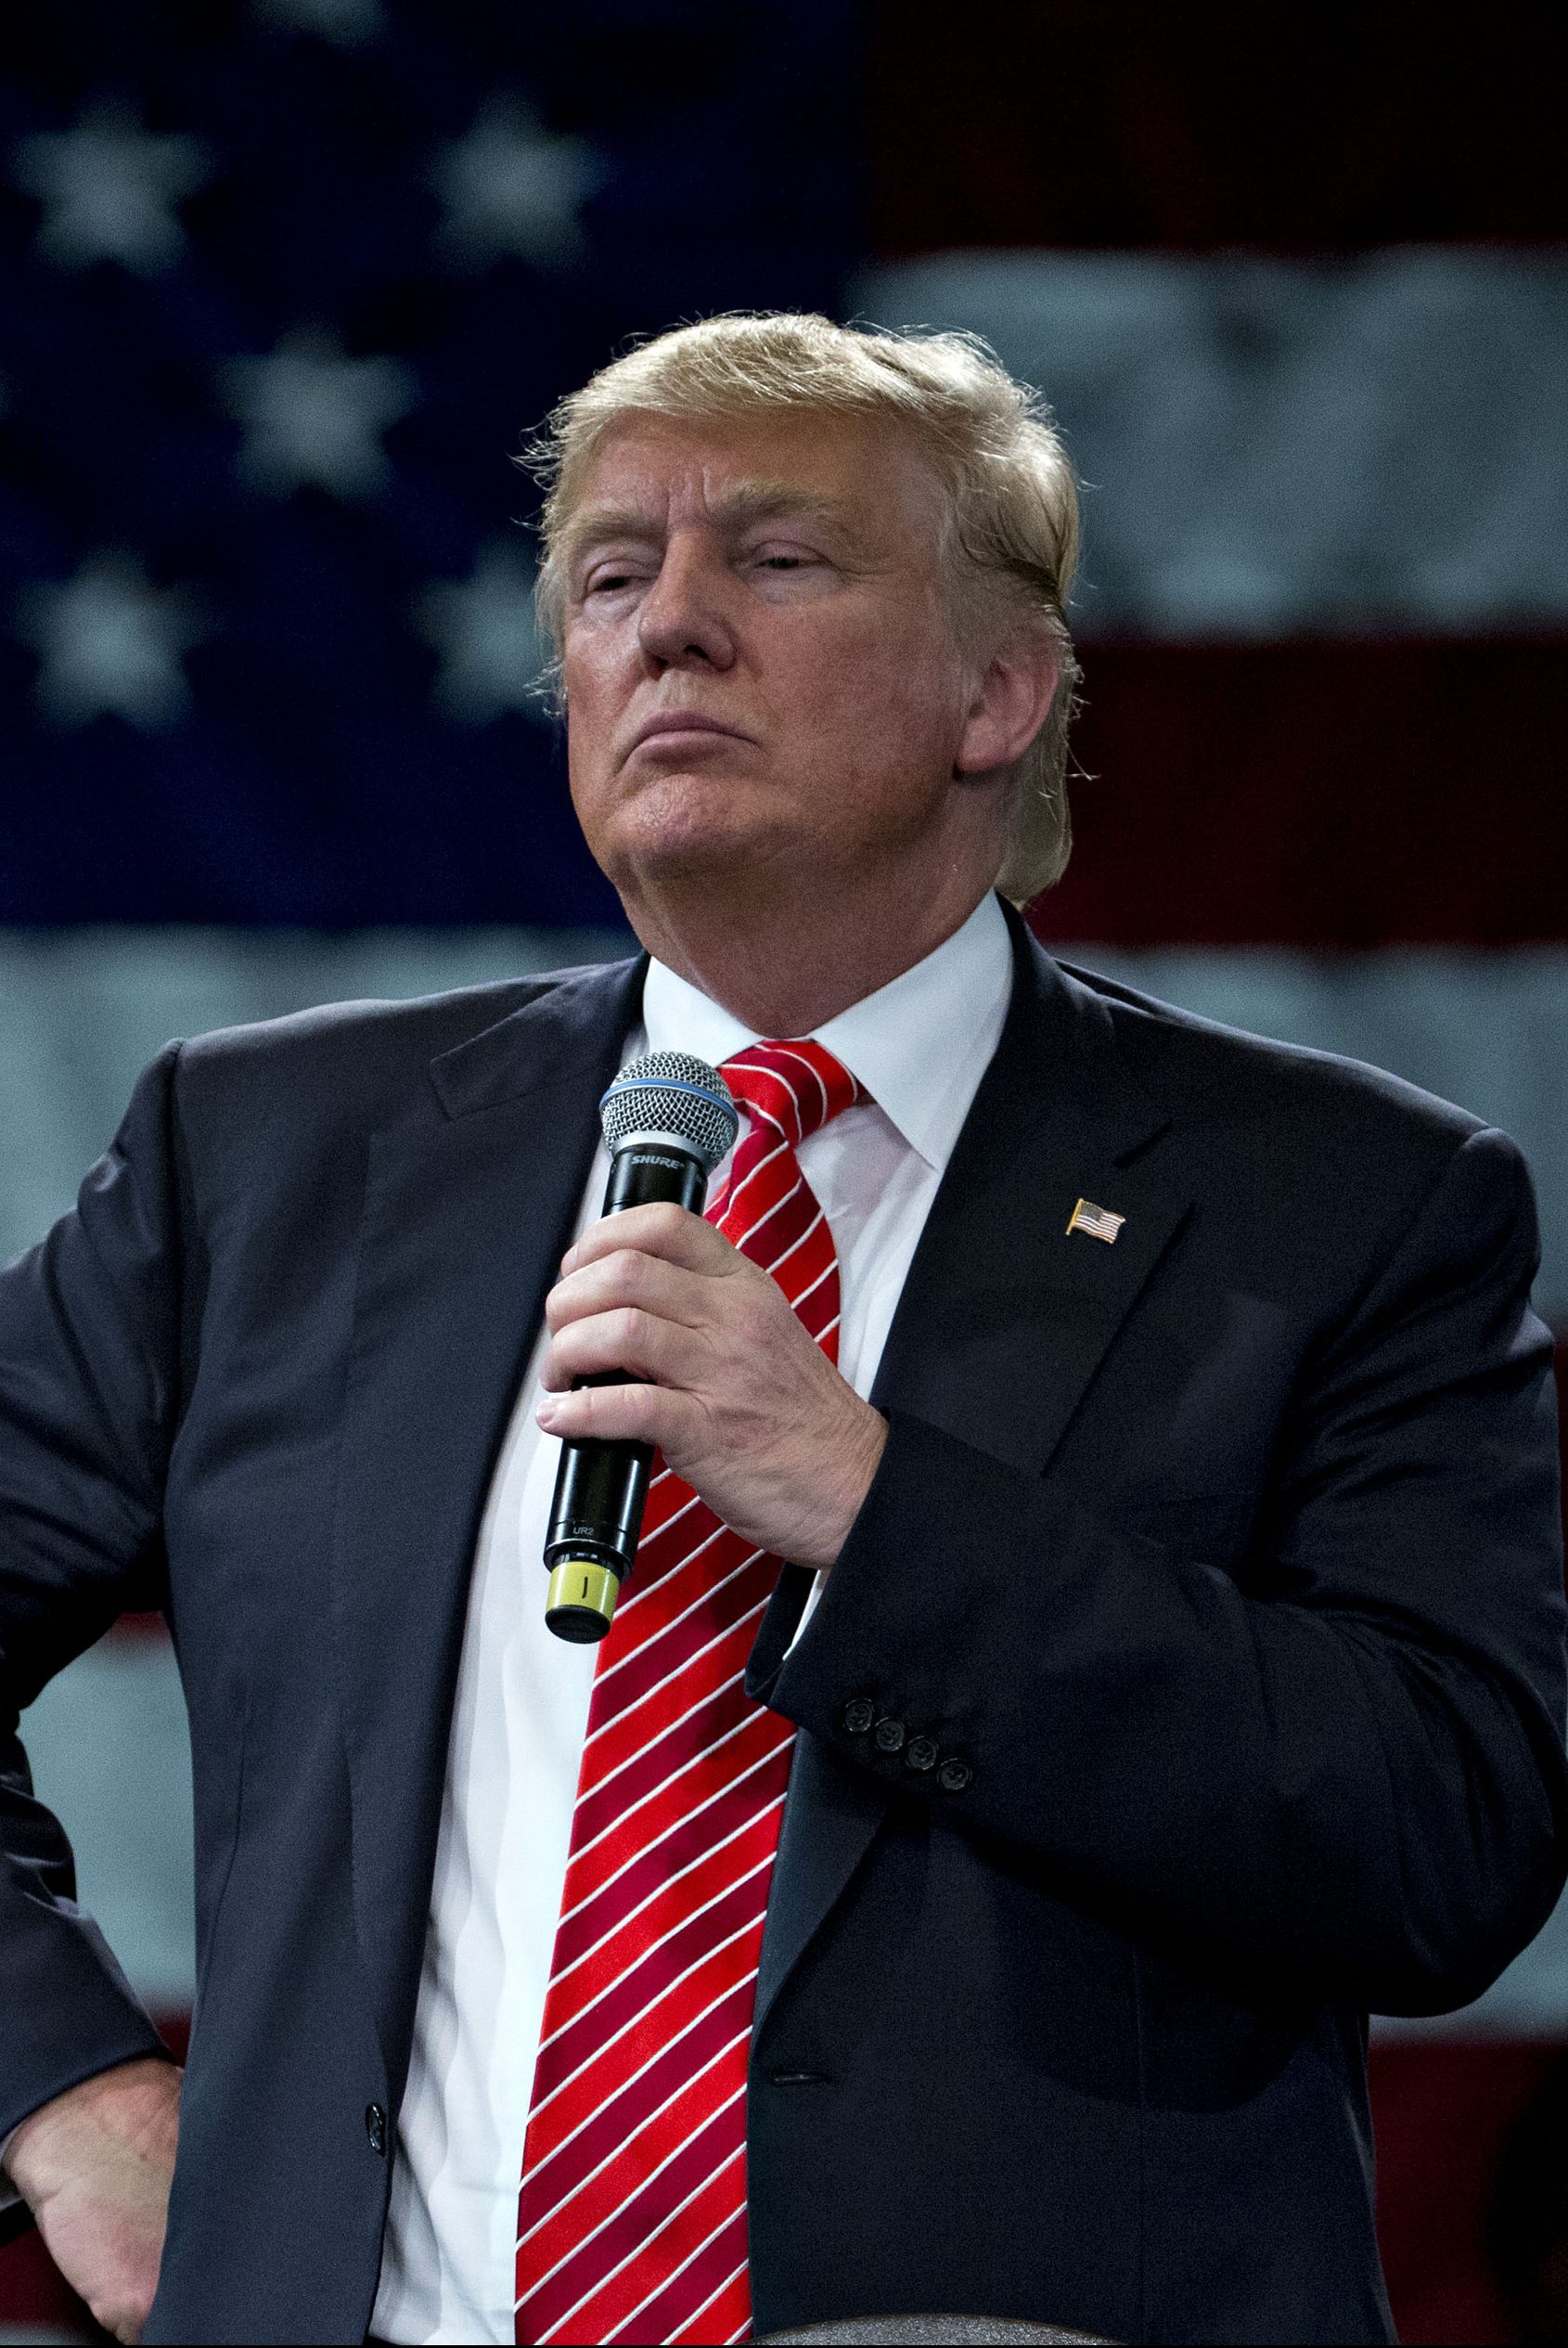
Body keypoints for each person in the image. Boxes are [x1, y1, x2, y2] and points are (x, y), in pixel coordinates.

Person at [1, 313, 1563, 2348]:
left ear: (997, 686)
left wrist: (875, 1506)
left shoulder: (1340, 1203)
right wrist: (57, 2084)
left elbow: (1436, 1839)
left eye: (776, 558)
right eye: (607, 575)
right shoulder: (269, 1153)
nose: (668, 627)